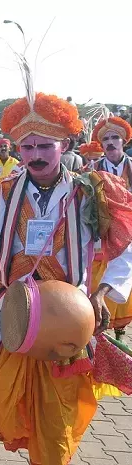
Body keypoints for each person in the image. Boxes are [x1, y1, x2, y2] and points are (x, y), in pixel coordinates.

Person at [0, 84, 132, 464]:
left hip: (68, 318)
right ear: (17, 150)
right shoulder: (0, 191)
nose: (36, 155)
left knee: (57, 413)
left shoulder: (93, 192)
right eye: (28, 148)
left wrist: (102, 292)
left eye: (45, 146)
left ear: (65, 145)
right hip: (10, 313)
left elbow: (125, 249)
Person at [89, 116, 132, 341]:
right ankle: (100, 328)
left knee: (124, 276)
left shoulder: (131, 167)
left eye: (115, 137)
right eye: (106, 139)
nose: (111, 142)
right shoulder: (93, 170)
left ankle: (120, 331)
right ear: (101, 144)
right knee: (100, 278)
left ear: (123, 141)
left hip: (129, 232)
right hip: (102, 234)